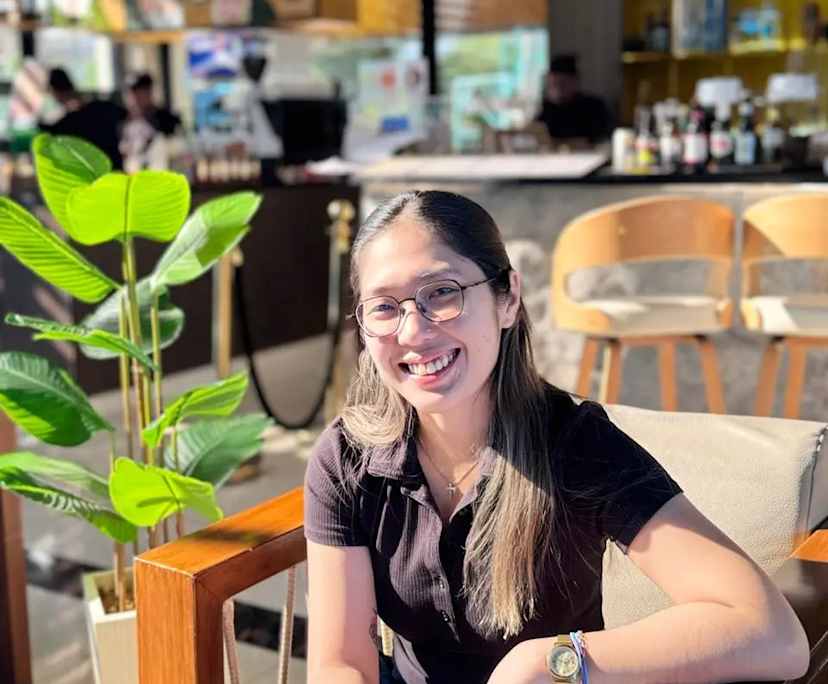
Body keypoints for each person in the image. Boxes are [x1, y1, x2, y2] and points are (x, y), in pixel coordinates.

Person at [303, 190, 809, 684]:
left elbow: (772, 633)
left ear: (508, 299)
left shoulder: (577, 447)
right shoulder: (347, 457)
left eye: (442, 293)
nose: (413, 332)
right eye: (385, 307)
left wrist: (546, 663)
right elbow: (340, 662)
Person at [39, 68, 127, 169]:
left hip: (91, 172)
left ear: (53, 91)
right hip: (115, 169)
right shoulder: (102, 105)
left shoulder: (63, 122)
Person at [535, 54, 613, 145]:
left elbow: (600, 138)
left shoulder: (594, 107)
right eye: (553, 84)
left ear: (575, 81)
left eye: (562, 83)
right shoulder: (544, 109)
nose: (557, 89)